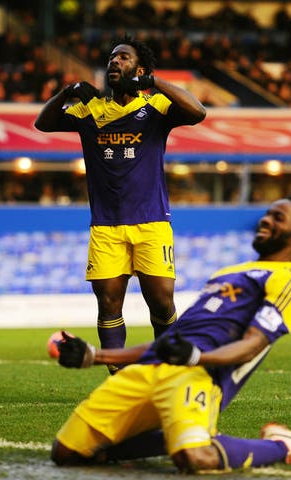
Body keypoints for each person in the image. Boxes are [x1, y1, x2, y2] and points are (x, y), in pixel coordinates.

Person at [50, 195, 291, 474]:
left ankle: (283, 445)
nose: (265, 219)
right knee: (66, 452)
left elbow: (252, 345)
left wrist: (198, 357)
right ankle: (144, 441)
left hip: (198, 375)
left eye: (278, 217)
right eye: (268, 213)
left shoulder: (288, 282)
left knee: (193, 457)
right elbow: (168, 343)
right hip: (148, 371)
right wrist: (93, 355)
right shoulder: (227, 273)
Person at [34, 35, 207, 373]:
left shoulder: (154, 107)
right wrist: (68, 91)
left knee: (160, 301)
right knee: (109, 304)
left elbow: (198, 111)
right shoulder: (91, 109)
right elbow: (43, 123)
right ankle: (118, 381)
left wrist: (153, 83)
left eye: (123, 58)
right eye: (112, 58)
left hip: (152, 223)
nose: (114, 62)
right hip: (106, 227)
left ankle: (170, 369)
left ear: (139, 69)